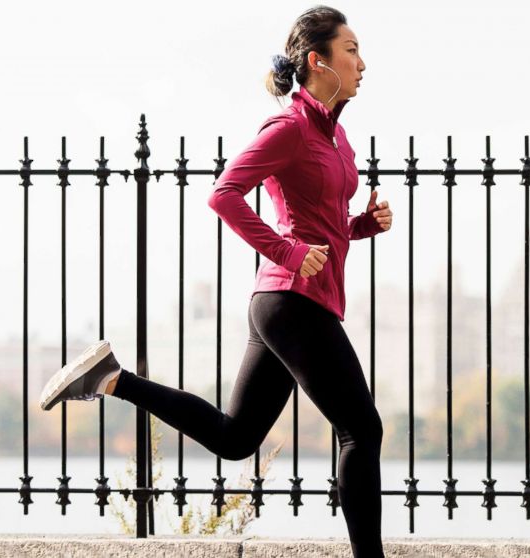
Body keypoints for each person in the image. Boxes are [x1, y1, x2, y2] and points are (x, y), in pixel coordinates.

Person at [38, 6, 392, 556]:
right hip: (290, 301)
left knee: (235, 438)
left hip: (296, 301)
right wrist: (286, 251)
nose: (363, 62)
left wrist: (361, 226)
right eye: (351, 50)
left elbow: (321, 225)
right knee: (361, 430)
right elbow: (223, 194)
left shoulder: (336, 138)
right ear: (318, 61)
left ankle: (111, 379)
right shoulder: (289, 128)